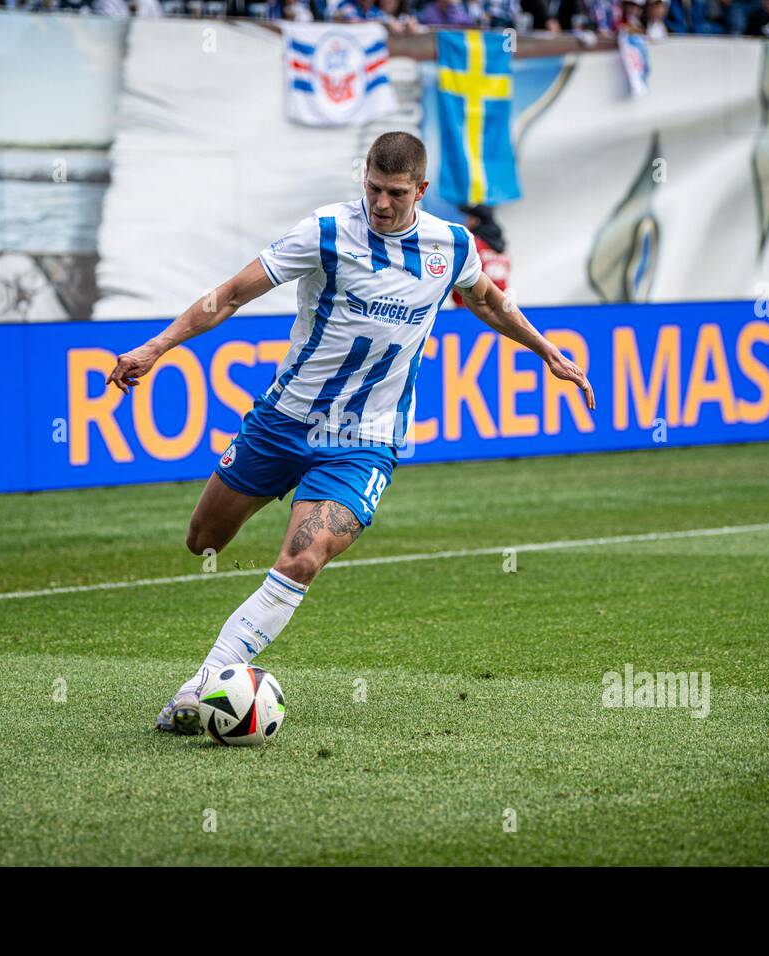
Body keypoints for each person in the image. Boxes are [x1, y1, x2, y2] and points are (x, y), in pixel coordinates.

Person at [111, 132, 596, 734]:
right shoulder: (325, 233)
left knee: (304, 555)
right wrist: (156, 348)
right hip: (284, 420)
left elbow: (489, 302)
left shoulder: (452, 246)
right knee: (203, 540)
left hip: (364, 438)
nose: (382, 204)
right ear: (361, 179)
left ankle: (201, 687)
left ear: (420, 190)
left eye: (395, 193)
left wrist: (547, 351)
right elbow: (231, 295)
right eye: (372, 189)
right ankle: (215, 667)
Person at [452, 205, 511, 307]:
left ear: (476, 221)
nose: (466, 222)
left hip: (470, 307)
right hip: (499, 306)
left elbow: (457, 274)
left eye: (469, 218)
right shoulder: (503, 247)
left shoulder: (473, 243)